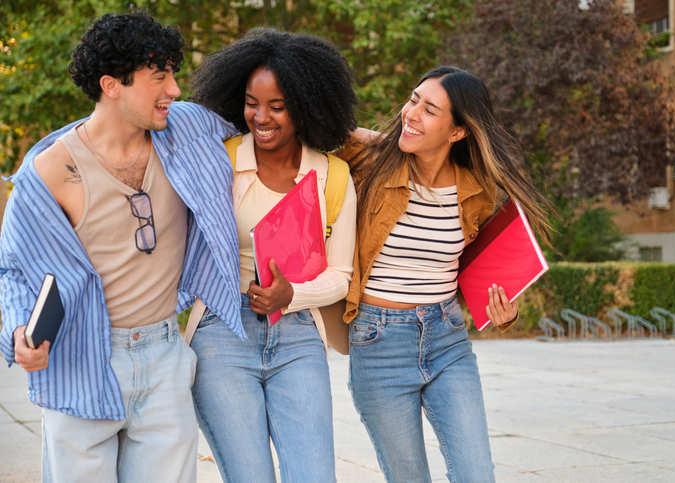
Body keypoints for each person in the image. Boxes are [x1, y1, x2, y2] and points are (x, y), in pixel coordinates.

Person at [0, 12, 244, 482]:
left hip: (164, 357)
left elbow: (272, 128)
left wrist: (381, 145)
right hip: (80, 358)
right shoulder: (50, 171)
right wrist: (16, 334)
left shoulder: (188, 130)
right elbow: (11, 269)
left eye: (173, 73)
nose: (174, 89)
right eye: (160, 76)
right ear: (112, 85)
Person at [343, 66, 554, 482]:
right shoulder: (368, 165)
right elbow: (322, 134)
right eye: (413, 100)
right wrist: (375, 138)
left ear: (458, 131)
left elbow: (476, 267)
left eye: (430, 110)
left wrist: (505, 313)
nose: (411, 113)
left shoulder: (477, 188)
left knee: (476, 474)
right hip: (378, 343)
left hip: (447, 340)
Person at [187, 28, 358, 483]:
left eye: (277, 106)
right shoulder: (218, 161)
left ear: (305, 106)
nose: (260, 117)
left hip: (299, 336)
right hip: (222, 332)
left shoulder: (334, 176)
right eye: (251, 102)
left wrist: (292, 294)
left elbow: (342, 275)